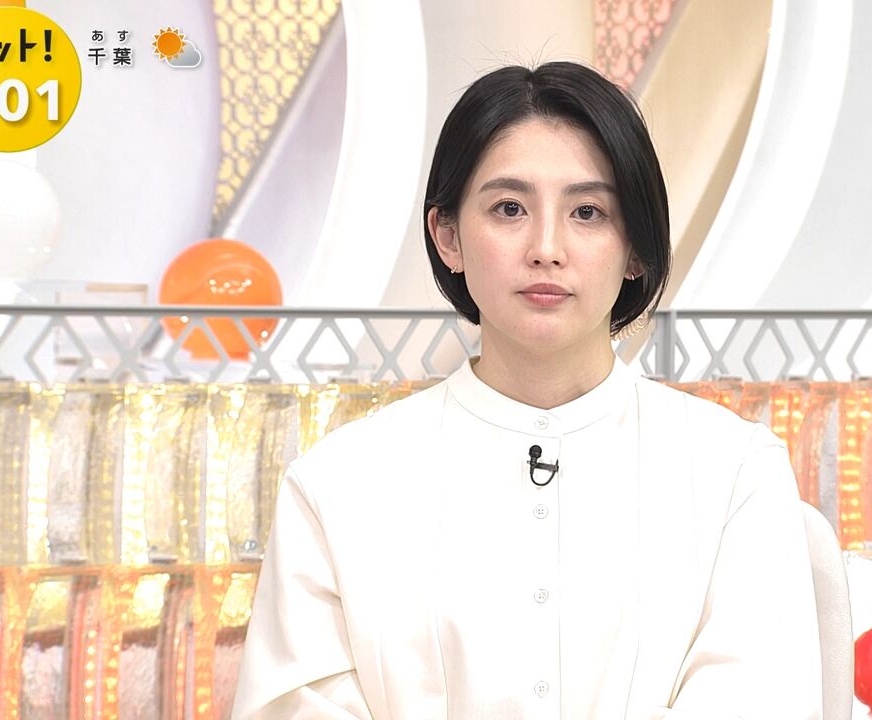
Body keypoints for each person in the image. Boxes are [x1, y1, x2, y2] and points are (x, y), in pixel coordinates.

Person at [231, 61, 822, 719]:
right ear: (448, 236)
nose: (546, 247)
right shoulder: (337, 486)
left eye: (588, 212)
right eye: (509, 208)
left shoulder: (735, 472)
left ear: (635, 248)